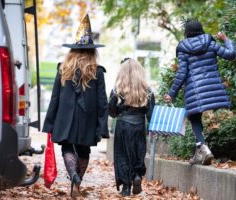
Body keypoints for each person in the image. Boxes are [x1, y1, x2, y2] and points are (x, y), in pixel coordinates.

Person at [42, 14, 109, 197]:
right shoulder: (97, 71)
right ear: (91, 51)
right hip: (88, 117)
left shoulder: (63, 68)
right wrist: (102, 126)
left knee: (67, 147)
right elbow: (102, 101)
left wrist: (50, 123)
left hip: (65, 116)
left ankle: (73, 176)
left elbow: (55, 98)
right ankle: (77, 182)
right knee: (83, 149)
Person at [164, 19, 236, 165]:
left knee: (194, 117)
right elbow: (231, 54)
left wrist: (171, 93)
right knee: (194, 116)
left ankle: (203, 147)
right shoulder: (210, 43)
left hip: (195, 91)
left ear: (187, 32)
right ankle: (200, 153)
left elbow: (182, 73)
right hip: (213, 88)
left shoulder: (183, 48)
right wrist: (226, 39)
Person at [108, 58, 155, 197]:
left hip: (123, 125)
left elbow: (111, 111)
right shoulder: (147, 90)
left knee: (122, 156)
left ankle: (126, 187)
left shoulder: (118, 90)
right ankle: (137, 176)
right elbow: (151, 113)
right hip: (139, 125)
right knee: (137, 153)